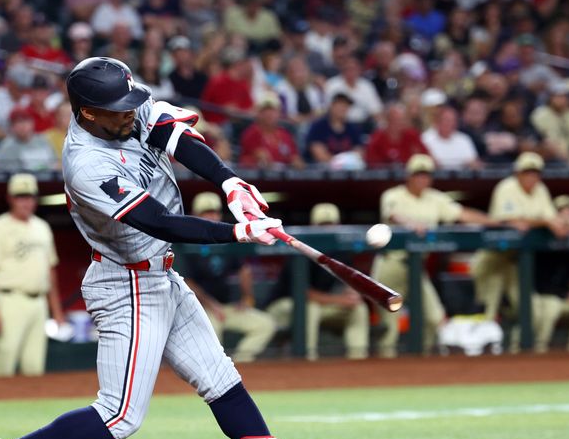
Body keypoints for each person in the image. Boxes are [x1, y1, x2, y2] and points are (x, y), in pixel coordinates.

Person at [0, 57, 333, 439]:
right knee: (118, 416)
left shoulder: (125, 109)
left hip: (162, 275)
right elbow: (158, 221)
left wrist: (230, 182)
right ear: (88, 113)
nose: (131, 112)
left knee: (222, 381)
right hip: (125, 282)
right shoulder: (85, 163)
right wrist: (239, 232)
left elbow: (177, 136)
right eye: (118, 108)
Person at [373, 154, 493, 357]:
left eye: (426, 175)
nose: (422, 179)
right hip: (391, 265)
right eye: (418, 174)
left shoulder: (435, 199)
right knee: (389, 324)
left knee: (434, 318)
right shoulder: (393, 195)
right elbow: (393, 215)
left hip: (416, 268)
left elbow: (463, 214)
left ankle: (423, 367)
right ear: (409, 176)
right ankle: (386, 370)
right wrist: (409, 223)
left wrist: (498, 222)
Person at [471, 152, 569, 345]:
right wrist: (543, 221)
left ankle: (517, 360)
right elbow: (509, 220)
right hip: (492, 261)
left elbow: (551, 220)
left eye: (535, 173)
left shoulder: (540, 190)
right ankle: (473, 369)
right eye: (527, 172)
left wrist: (561, 222)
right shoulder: (507, 188)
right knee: (487, 314)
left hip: (515, 264)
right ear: (517, 173)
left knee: (530, 312)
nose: (531, 177)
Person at [0, 173, 66, 377]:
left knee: (34, 367)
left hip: (39, 303)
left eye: (29, 197)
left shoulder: (42, 227)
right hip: (9, 300)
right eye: (20, 197)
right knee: (3, 364)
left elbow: (50, 272)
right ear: (10, 198)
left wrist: (57, 312)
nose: (26, 202)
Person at [266, 203, 369, 360]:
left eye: (331, 225)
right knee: (310, 307)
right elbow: (304, 294)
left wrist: (352, 294)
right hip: (284, 307)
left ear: (338, 225)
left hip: (321, 305)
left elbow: (349, 282)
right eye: (323, 225)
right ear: (312, 226)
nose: (327, 229)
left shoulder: (341, 251)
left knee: (358, 308)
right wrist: (340, 300)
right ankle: (308, 360)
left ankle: (358, 358)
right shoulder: (301, 248)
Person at [184, 192, 277, 363]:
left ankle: (240, 363)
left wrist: (247, 297)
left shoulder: (225, 239)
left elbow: (244, 269)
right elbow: (187, 283)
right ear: (196, 215)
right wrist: (212, 305)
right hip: (201, 310)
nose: (211, 216)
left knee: (265, 324)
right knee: (211, 334)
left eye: (214, 212)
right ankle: (218, 371)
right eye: (206, 212)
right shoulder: (187, 242)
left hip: (227, 307)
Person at [238, 92, 304, 168]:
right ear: (258, 113)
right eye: (265, 110)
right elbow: (260, 158)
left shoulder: (285, 135)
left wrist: (296, 162)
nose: (269, 114)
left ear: (279, 113)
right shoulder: (251, 133)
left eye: (273, 110)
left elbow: (294, 157)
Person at [305, 92, 363, 164]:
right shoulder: (318, 126)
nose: (343, 108)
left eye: (346, 106)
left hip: (348, 170)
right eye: (340, 105)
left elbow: (358, 152)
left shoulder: (353, 128)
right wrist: (339, 163)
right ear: (331, 106)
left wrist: (347, 163)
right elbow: (319, 154)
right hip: (322, 170)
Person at [364, 102, 428, 167]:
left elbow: (425, 158)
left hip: (409, 174)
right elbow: (371, 164)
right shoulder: (377, 139)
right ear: (388, 120)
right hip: (384, 176)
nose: (400, 123)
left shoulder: (412, 135)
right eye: (395, 120)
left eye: (402, 120)